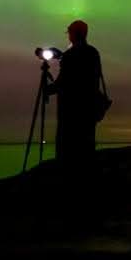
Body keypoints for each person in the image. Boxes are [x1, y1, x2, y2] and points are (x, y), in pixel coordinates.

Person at [45, 19, 102, 166]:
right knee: (86, 148)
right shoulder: (93, 53)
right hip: (89, 109)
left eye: (69, 33)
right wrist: (63, 56)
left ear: (73, 34)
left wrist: (47, 90)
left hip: (70, 111)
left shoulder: (70, 56)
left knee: (67, 151)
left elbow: (64, 82)